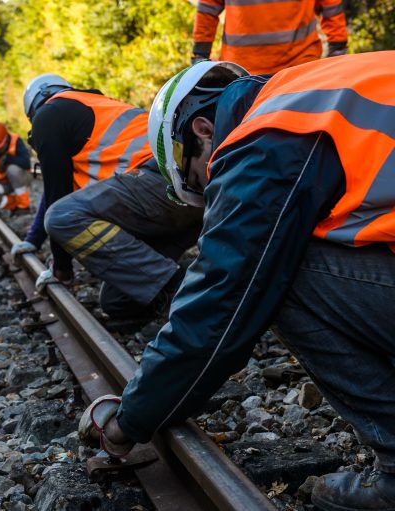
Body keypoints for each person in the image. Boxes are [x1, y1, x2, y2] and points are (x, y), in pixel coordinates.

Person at [80, 53, 395, 511]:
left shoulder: (264, 136)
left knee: (278, 269)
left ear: (203, 130)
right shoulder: (323, 88)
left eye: (202, 178)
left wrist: (129, 420)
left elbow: (221, 299)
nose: (215, 188)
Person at [12, 73, 203, 318]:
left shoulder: (47, 116)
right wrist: (32, 239)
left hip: (159, 184)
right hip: (192, 199)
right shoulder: (95, 108)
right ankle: (198, 280)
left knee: (61, 217)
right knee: (117, 302)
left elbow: (56, 200)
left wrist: (62, 270)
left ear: (34, 108)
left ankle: (181, 286)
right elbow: (53, 189)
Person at [192, 0, 348, 74]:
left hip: (243, 71)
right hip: (299, 67)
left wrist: (200, 55)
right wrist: (337, 47)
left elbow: (207, 10)